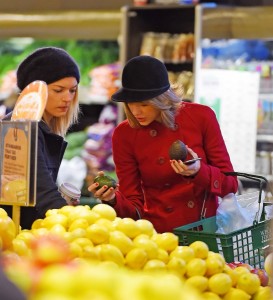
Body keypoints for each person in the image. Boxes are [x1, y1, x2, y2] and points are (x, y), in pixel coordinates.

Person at [88, 55, 238, 233]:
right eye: (130, 103)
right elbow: (134, 209)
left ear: (162, 99)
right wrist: (112, 199)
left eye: (144, 104)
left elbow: (230, 185)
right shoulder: (124, 134)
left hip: (205, 232)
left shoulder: (201, 117)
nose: (135, 112)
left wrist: (199, 172)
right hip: (160, 236)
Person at [2, 47, 81, 229]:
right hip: (14, 232)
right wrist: (77, 225)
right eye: (58, 90)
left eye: (72, 90)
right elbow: (43, 193)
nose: (67, 98)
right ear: (35, 91)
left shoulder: (39, 128)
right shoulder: (20, 129)